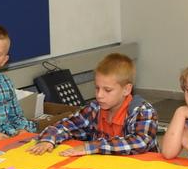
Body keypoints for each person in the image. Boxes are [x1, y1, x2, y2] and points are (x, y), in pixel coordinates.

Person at [28, 53, 157, 156]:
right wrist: (48, 139)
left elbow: (141, 142)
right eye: (97, 88)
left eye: (107, 90)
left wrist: (91, 147)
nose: (99, 95)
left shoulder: (142, 111)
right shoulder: (95, 108)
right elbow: (66, 125)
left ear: (126, 90)